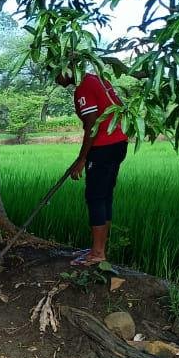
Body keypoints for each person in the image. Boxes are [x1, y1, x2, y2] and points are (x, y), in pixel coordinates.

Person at [55, 68, 129, 267]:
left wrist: (82, 159)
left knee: (95, 197)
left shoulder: (83, 87)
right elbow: (121, 107)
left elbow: (92, 122)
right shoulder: (98, 80)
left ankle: (97, 253)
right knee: (105, 196)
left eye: (57, 73)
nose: (56, 79)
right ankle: (99, 249)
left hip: (103, 147)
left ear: (67, 70)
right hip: (119, 143)